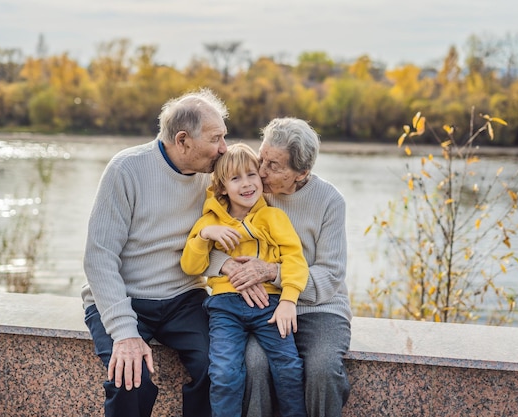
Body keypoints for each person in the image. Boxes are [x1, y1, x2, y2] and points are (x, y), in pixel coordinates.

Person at [81, 88, 228, 417]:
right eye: (216, 138)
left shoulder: (215, 177)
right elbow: (99, 257)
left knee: (220, 367)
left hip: (183, 298)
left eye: (224, 137)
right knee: (129, 379)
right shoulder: (127, 170)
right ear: (183, 140)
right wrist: (124, 332)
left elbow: (217, 242)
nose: (224, 148)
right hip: (126, 296)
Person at [207, 118, 352, 417]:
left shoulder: (329, 201)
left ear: (302, 173)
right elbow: (204, 241)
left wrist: (273, 272)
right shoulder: (248, 188)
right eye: (262, 158)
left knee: (323, 370)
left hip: (318, 305)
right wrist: (227, 266)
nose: (260, 172)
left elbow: (332, 275)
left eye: (274, 166)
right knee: (255, 365)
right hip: (262, 304)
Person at [180, 143, 308, 417]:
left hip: (270, 306)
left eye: (251, 175)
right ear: (223, 187)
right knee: (224, 373)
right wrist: (204, 237)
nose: (247, 184)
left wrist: (288, 300)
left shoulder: (273, 218)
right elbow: (191, 266)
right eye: (235, 178)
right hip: (225, 308)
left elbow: (295, 260)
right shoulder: (209, 223)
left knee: (289, 368)